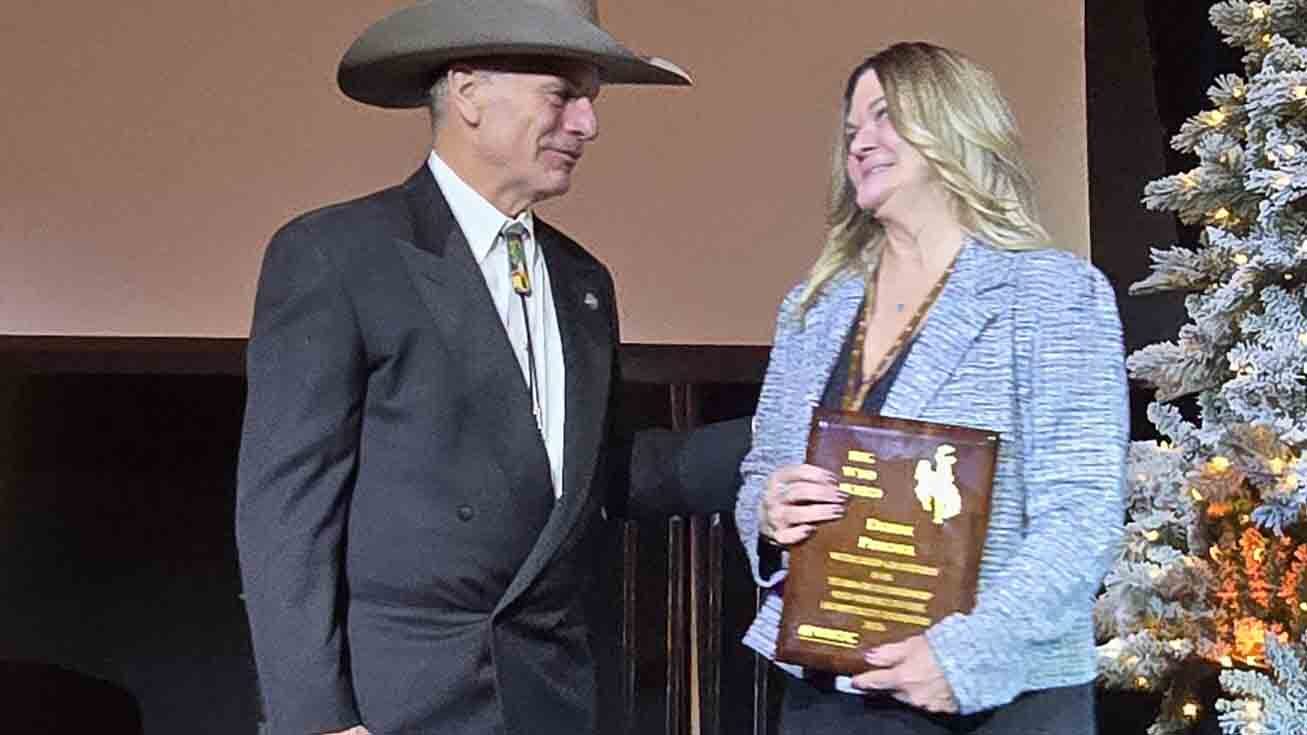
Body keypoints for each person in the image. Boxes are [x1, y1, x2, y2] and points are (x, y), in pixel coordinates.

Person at [234, 2, 702, 734]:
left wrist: (772, 449)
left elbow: (600, 472)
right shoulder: (339, 254)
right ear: (468, 91)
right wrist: (315, 719)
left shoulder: (582, 280)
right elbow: (285, 508)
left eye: (591, 102)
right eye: (563, 96)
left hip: (551, 696)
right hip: (401, 705)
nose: (587, 125)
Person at [734, 42, 1128, 734]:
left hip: (997, 694)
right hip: (831, 690)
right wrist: (768, 519)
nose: (860, 142)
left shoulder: (1052, 295)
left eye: (884, 116)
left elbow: (1080, 517)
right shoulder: (813, 307)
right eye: (852, 128)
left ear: (954, 125)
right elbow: (760, 474)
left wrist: (962, 653)